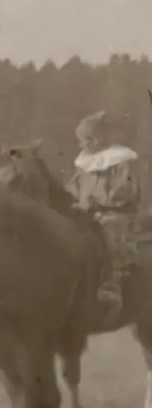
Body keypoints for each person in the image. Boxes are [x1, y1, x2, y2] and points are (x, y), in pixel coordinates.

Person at [66, 110, 141, 321]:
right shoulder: (85, 164)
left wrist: (97, 205)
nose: (82, 145)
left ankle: (112, 283)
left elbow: (124, 191)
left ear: (96, 139)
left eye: (85, 140)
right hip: (87, 213)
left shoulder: (120, 160)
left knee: (109, 229)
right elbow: (73, 188)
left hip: (115, 213)